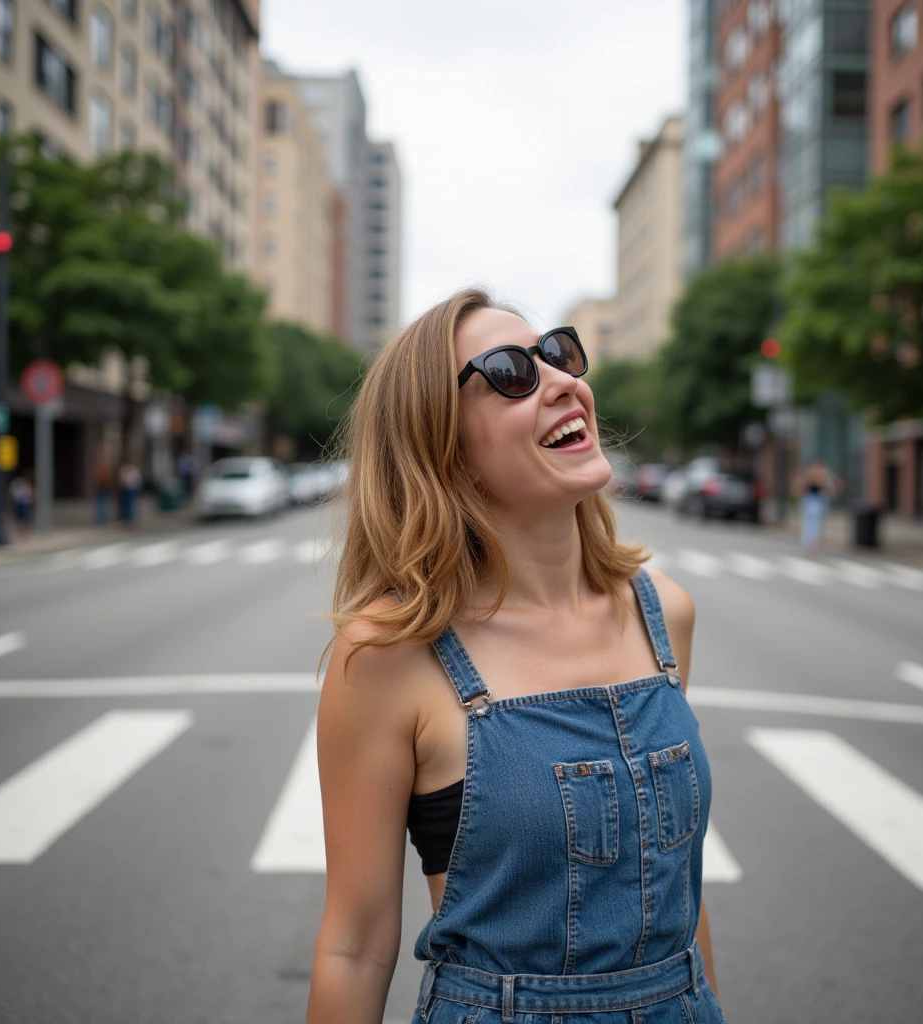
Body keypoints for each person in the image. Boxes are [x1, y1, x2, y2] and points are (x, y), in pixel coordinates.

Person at [306, 290, 725, 1023]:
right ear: (442, 447)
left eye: (557, 353)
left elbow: (685, 897)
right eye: (509, 372)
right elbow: (355, 945)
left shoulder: (665, 614)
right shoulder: (387, 655)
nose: (561, 379)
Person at [793, 459, 838, 553]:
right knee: (809, 523)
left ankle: (814, 543)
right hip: (810, 502)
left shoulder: (825, 477)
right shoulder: (808, 477)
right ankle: (809, 543)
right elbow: (799, 487)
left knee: (816, 524)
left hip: (819, 502)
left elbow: (830, 489)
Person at [8, 472, 34, 537]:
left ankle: (23, 532)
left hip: (23, 503)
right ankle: (22, 532)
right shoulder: (20, 482)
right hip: (21, 503)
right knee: (21, 517)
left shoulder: (22, 483)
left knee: (23, 517)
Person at [118, 460, 143, 526]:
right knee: (126, 505)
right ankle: (128, 519)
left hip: (132, 490)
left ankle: (132, 520)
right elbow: (122, 479)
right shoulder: (124, 469)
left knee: (131, 505)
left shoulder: (134, 471)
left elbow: (138, 480)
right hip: (126, 490)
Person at [94, 457, 113, 525]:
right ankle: (102, 519)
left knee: (103, 505)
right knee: (102, 505)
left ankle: (102, 519)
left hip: (103, 489)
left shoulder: (103, 472)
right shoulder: (101, 472)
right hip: (101, 489)